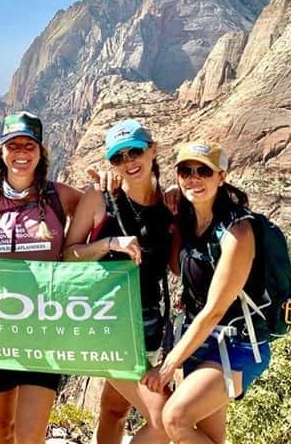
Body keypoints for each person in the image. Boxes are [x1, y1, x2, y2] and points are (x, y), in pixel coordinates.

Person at [0, 111, 83, 444]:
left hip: (45, 329)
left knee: (29, 437)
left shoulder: (59, 195)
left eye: (29, 145)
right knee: (2, 432)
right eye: (13, 145)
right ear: (1, 152)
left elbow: (104, 210)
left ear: (41, 152)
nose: (21, 152)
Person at [142, 141, 271, 444]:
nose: (194, 178)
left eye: (204, 171)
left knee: (175, 418)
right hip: (198, 338)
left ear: (221, 177)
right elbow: (176, 268)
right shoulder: (189, 220)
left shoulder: (238, 231)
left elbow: (214, 309)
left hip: (238, 344)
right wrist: (173, 216)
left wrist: (168, 365)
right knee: (209, 436)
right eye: (186, 171)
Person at [63, 119, 177, 444]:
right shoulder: (100, 200)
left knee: (115, 409)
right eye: (118, 157)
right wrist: (109, 244)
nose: (128, 162)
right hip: (107, 323)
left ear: (152, 151)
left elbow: (176, 265)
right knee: (166, 417)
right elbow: (68, 256)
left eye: (135, 152)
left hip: (149, 324)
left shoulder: (169, 205)